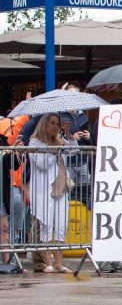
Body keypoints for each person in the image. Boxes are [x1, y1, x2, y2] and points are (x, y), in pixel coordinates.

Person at [27, 113, 77, 273]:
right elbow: (41, 164)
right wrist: (55, 149)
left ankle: (59, 263)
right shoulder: (34, 142)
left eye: (57, 123)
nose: (55, 126)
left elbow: (74, 151)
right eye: (52, 123)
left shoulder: (60, 140)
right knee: (46, 224)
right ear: (44, 125)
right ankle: (48, 262)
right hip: (44, 189)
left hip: (61, 187)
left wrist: (68, 135)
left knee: (61, 224)